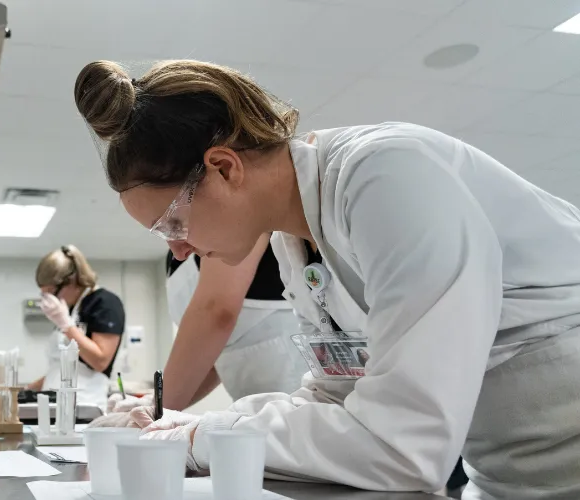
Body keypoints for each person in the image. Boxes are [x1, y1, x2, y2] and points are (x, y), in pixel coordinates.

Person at [72, 59, 580, 499]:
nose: (178, 249)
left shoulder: (388, 177)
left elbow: (404, 444)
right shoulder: (294, 240)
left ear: (224, 168)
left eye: (172, 224)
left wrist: (198, 441)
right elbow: (338, 394)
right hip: (506, 475)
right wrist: (198, 425)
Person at [94, 235, 310, 426]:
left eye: (171, 222)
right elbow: (209, 357)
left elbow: (216, 312)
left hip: (292, 399)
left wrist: (158, 409)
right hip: (254, 410)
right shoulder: (184, 254)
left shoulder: (232, 226)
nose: (177, 248)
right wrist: (155, 401)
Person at [27, 245, 126, 411]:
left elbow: (100, 361)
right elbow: (61, 369)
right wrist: (27, 390)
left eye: (52, 293)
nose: (51, 300)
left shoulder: (105, 303)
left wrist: (67, 326)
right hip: (53, 405)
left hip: (84, 406)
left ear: (72, 280)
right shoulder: (70, 310)